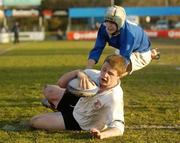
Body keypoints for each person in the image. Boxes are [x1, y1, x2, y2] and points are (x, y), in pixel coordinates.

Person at [30, 54, 127, 139]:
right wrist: (78, 73)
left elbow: (118, 128)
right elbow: (60, 84)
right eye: (104, 69)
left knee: (34, 121)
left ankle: (56, 107)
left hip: (80, 121)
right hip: (77, 104)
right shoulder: (94, 75)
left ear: (119, 76)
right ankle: (55, 106)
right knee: (48, 89)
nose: (104, 75)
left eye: (110, 73)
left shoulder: (114, 97)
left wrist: (102, 135)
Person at [87, 5, 160, 76]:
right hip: (128, 47)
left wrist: (103, 79)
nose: (108, 26)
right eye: (107, 21)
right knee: (110, 63)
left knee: (114, 69)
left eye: (112, 23)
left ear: (120, 23)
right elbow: (97, 49)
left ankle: (149, 55)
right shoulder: (103, 28)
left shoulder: (128, 34)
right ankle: (151, 53)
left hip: (140, 53)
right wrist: (88, 71)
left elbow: (123, 62)